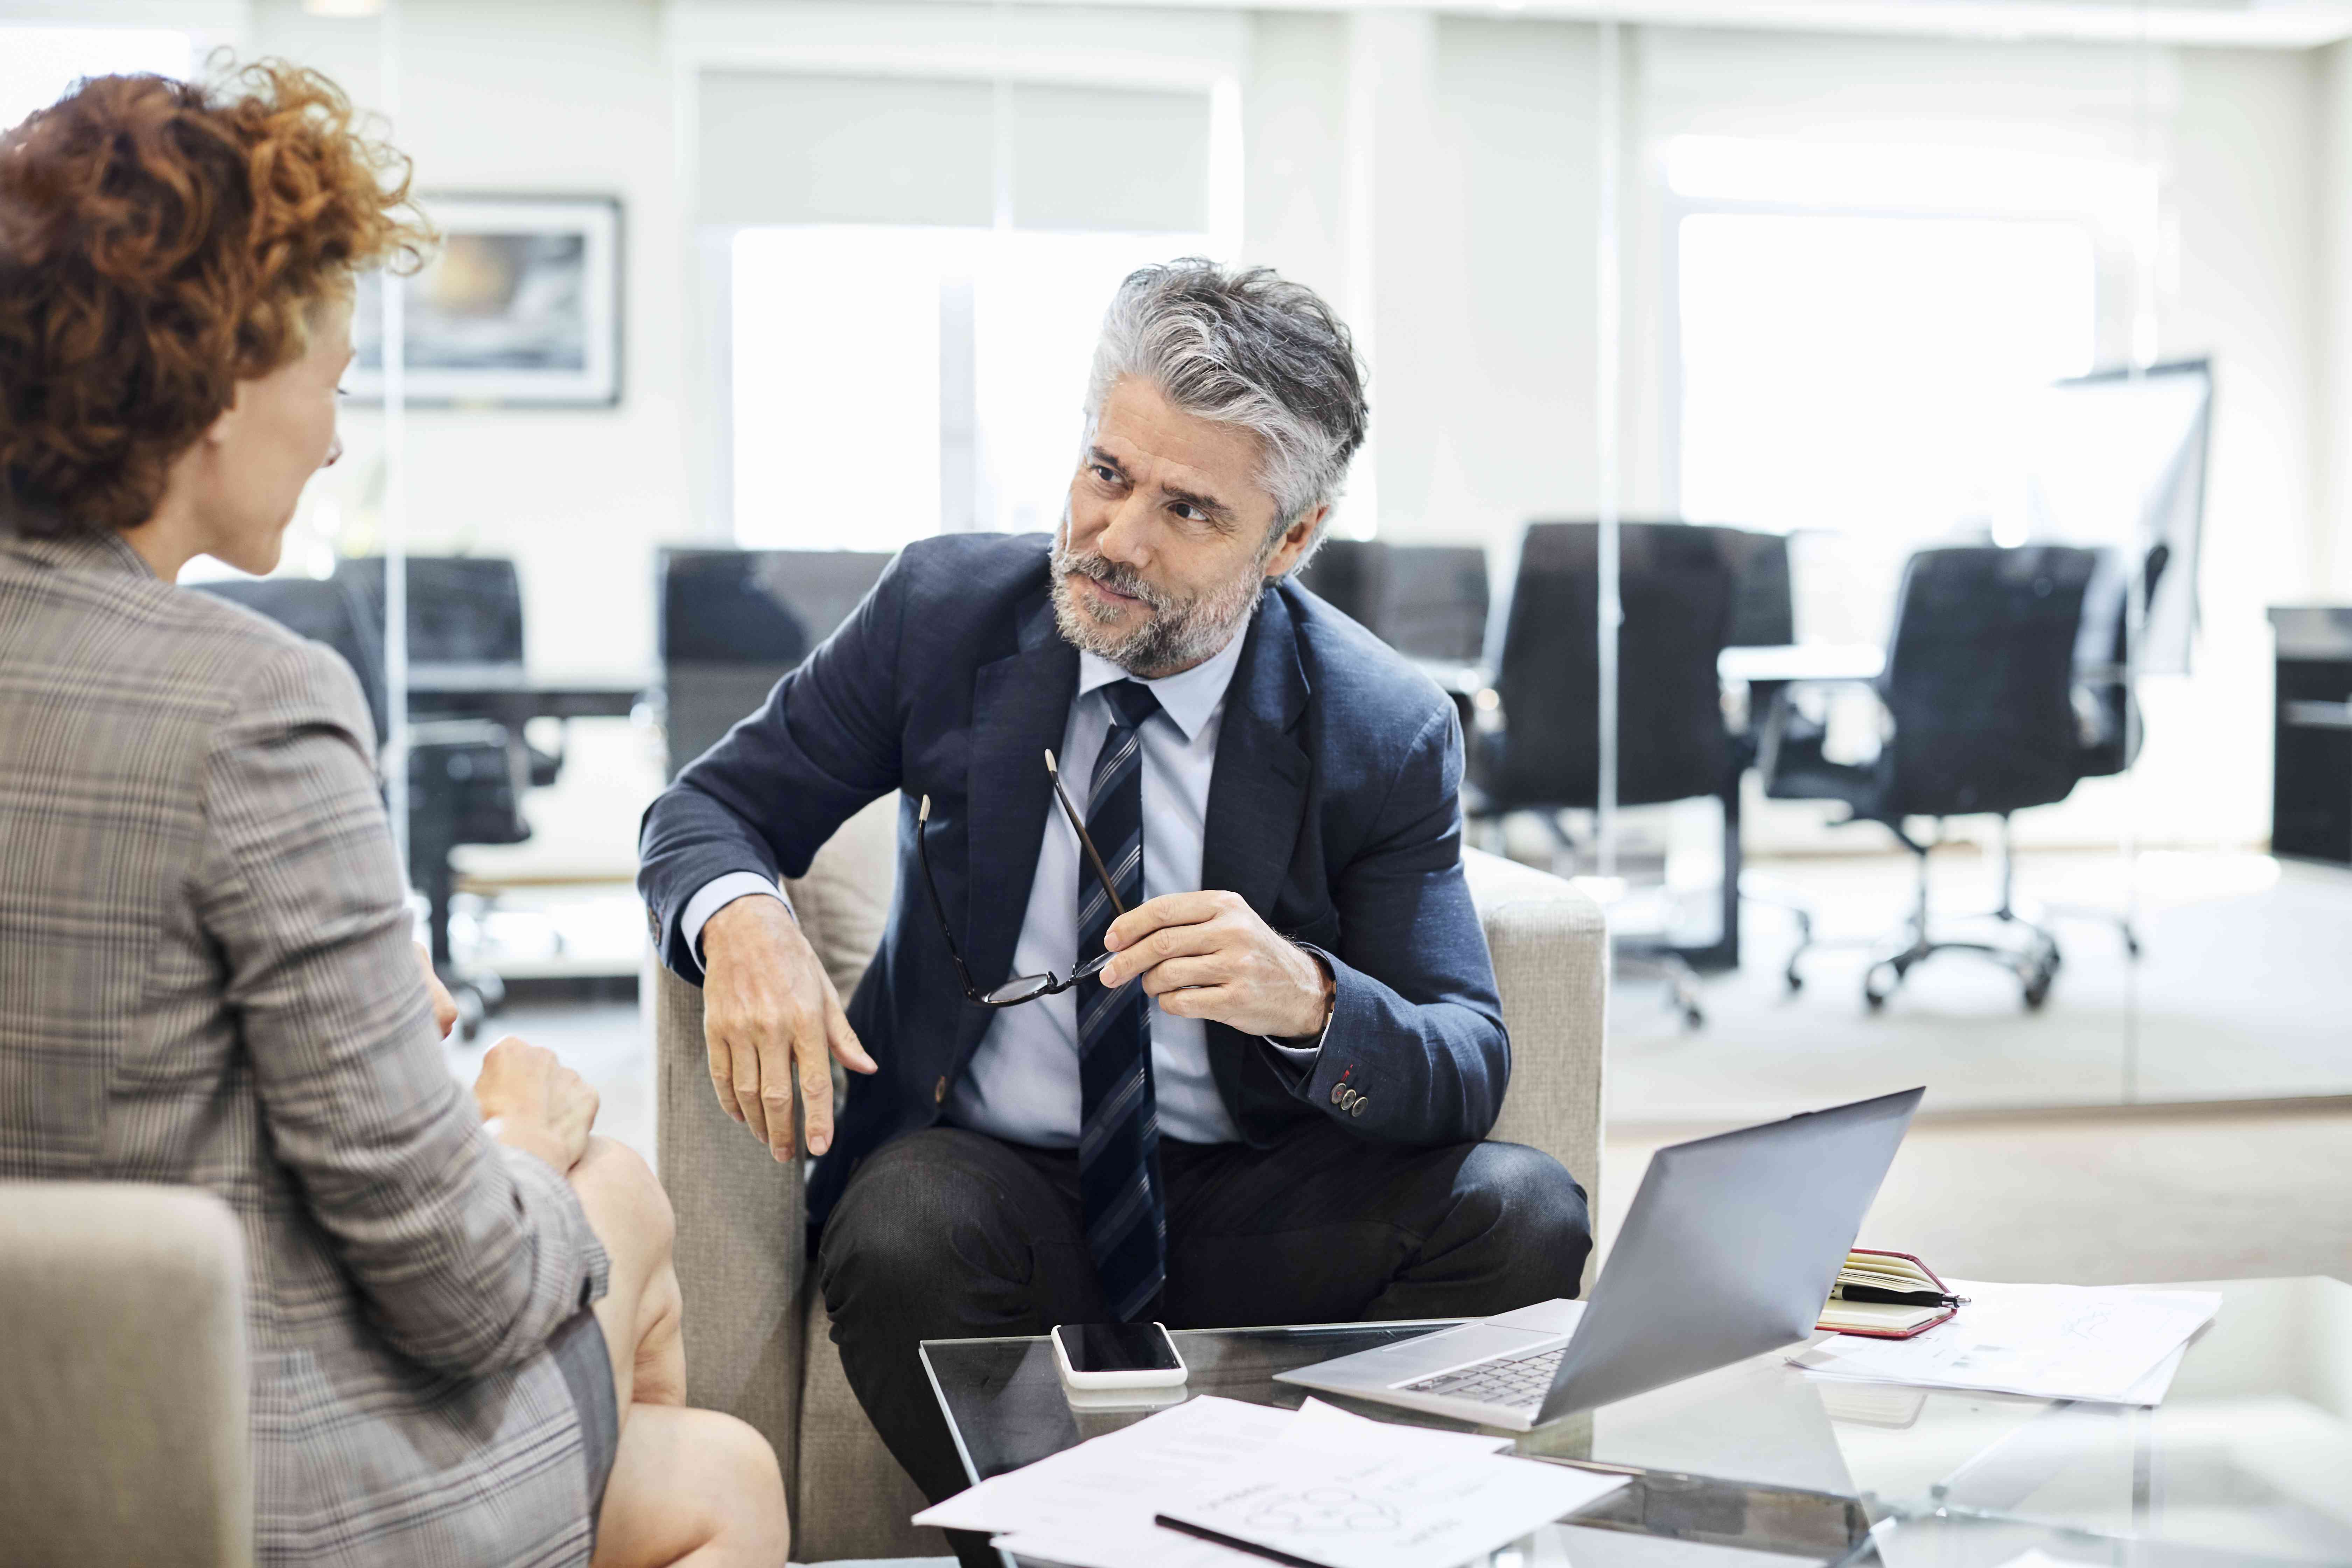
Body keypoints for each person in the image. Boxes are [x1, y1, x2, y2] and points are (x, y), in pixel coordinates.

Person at [639, 258, 1594, 1558]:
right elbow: (705, 811)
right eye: (1107, 474)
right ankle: (1081, 1556)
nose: (1118, 538)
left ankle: (1321, 1538)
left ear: (1290, 541)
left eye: (1191, 510)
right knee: (901, 1228)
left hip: (1254, 1200)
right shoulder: (944, 616)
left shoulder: (1380, 723)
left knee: (1525, 1213)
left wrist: (1307, 1000)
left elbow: (1463, 1061)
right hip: (989, 1191)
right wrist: (745, 919)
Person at [0, 66, 786, 1567]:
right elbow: (467, 1284)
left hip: (32, 1430)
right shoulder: (251, 703)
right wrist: (512, 1127)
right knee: (614, 1185)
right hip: (241, 1474)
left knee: (704, 1461)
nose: (340, 438)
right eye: (334, 378)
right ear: (225, 382)